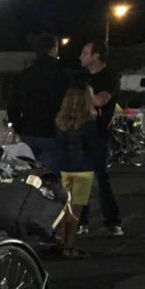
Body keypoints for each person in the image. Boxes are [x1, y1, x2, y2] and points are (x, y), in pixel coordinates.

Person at [78, 40, 123, 235]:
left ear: (96, 56)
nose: (81, 56)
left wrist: (85, 92)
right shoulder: (80, 76)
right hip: (79, 132)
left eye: (85, 53)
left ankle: (112, 221)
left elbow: (101, 100)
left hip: (97, 134)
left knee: (99, 177)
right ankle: (81, 220)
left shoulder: (109, 76)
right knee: (80, 176)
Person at [7, 32, 69, 174]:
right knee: (50, 176)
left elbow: (12, 105)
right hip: (53, 132)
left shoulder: (24, 76)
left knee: (27, 174)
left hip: (29, 130)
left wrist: (19, 126)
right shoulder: (62, 75)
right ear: (54, 49)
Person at [55, 82, 99, 258]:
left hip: (64, 168)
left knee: (64, 208)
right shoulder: (89, 122)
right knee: (76, 210)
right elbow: (93, 147)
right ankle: (69, 245)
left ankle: (61, 241)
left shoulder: (60, 121)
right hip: (83, 169)